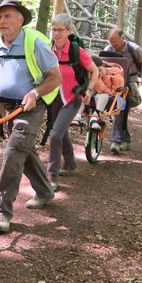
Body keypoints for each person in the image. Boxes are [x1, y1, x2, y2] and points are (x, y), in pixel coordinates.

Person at [0, 0, 62, 233]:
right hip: (8, 108)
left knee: (14, 152)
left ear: (21, 19)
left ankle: (2, 212)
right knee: (25, 152)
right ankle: (46, 191)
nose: (2, 21)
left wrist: (35, 93)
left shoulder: (35, 41)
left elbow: (55, 77)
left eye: (8, 16)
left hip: (32, 106)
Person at [47, 13, 98, 190]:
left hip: (73, 98)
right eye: (54, 29)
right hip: (53, 97)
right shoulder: (48, 49)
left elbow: (95, 71)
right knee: (60, 131)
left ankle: (51, 177)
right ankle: (70, 163)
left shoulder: (77, 51)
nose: (56, 33)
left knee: (55, 134)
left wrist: (89, 91)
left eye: (60, 30)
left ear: (69, 31)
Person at [104, 27, 142, 154]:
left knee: (121, 105)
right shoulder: (108, 50)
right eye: (111, 43)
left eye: (116, 44)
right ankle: (125, 139)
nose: (113, 46)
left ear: (122, 39)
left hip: (130, 80)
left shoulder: (133, 49)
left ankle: (116, 140)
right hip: (113, 81)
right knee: (121, 108)